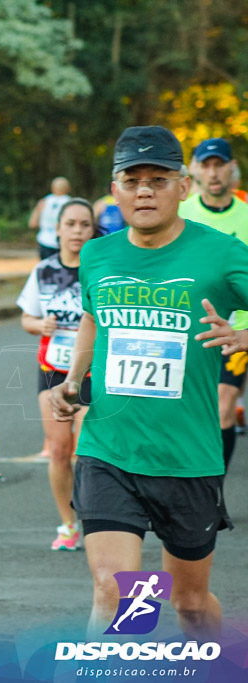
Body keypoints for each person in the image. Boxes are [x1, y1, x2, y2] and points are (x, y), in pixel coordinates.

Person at [49, 125, 248, 640]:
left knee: (188, 603)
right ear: (113, 189)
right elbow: (93, 317)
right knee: (117, 592)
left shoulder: (222, 252)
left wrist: (245, 333)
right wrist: (72, 381)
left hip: (187, 458)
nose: (144, 190)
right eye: (131, 179)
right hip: (109, 450)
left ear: (183, 187)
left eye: (158, 179)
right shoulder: (98, 255)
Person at [17, 198, 99, 551]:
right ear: (58, 229)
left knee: (87, 449)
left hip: (93, 372)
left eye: (85, 225)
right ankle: (68, 525)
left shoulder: (101, 270)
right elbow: (26, 319)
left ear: (93, 230)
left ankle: (98, 519)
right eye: (71, 224)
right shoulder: (43, 271)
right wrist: (41, 323)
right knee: (60, 451)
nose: (78, 231)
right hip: (52, 370)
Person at [179, 137, 248, 472]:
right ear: (193, 171)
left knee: (223, 405)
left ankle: (213, 488)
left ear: (232, 168)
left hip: (235, 334)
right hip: (186, 331)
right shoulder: (181, 214)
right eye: (206, 165)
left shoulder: (247, 216)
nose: (213, 172)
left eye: (219, 164)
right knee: (189, 411)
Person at [29, 176, 72, 259]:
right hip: (63, 243)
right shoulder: (70, 203)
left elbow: (33, 223)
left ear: (52, 188)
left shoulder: (44, 202)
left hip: (45, 241)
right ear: (68, 188)